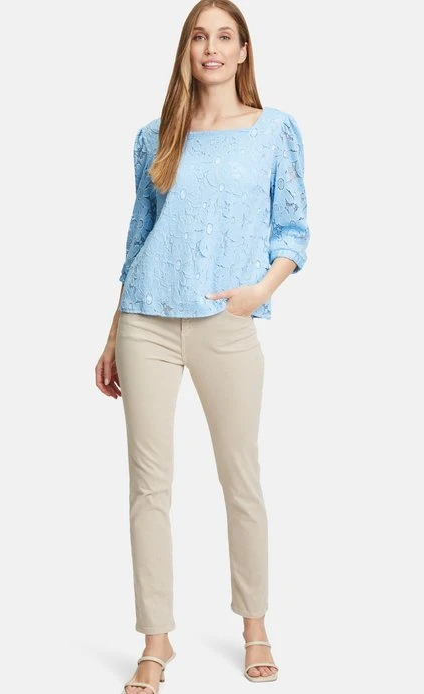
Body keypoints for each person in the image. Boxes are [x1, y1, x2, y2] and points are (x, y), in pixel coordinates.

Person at [95, 1, 310, 691]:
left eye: (224, 36)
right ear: (186, 49)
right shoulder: (155, 134)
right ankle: (156, 639)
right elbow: (139, 236)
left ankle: (255, 625)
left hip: (226, 319)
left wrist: (258, 292)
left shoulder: (274, 130)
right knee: (148, 486)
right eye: (199, 36)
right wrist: (113, 331)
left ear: (243, 51)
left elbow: (294, 230)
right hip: (146, 320)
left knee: (240, 477)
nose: (211, 47)